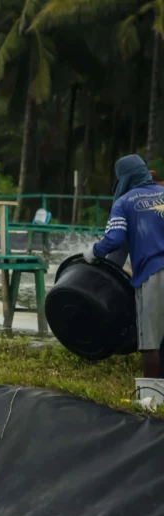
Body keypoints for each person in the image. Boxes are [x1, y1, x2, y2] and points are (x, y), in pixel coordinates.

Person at [83, 154, 164, 379]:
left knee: (151, 343)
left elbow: (114, 240)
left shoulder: (125, 202)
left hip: (154, 274)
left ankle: (151, 401)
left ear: (124, 179)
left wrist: (93, 253)